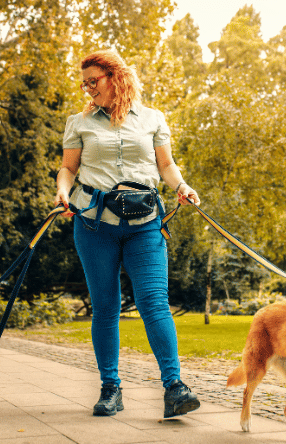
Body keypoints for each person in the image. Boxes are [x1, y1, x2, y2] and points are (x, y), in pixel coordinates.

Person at [54, 49, 202, 419]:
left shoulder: (152, 118)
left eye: (94, 80)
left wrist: (182, 187)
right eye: (84, 82)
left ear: (115, 76)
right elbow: (68, 169)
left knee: (154, 301)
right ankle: (110, 388)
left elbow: (165, 164)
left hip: (145, 225)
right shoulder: (79, 122)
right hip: (94, 224)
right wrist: (62, 190)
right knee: (105, 307)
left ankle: (174, 387)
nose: (88, 89)